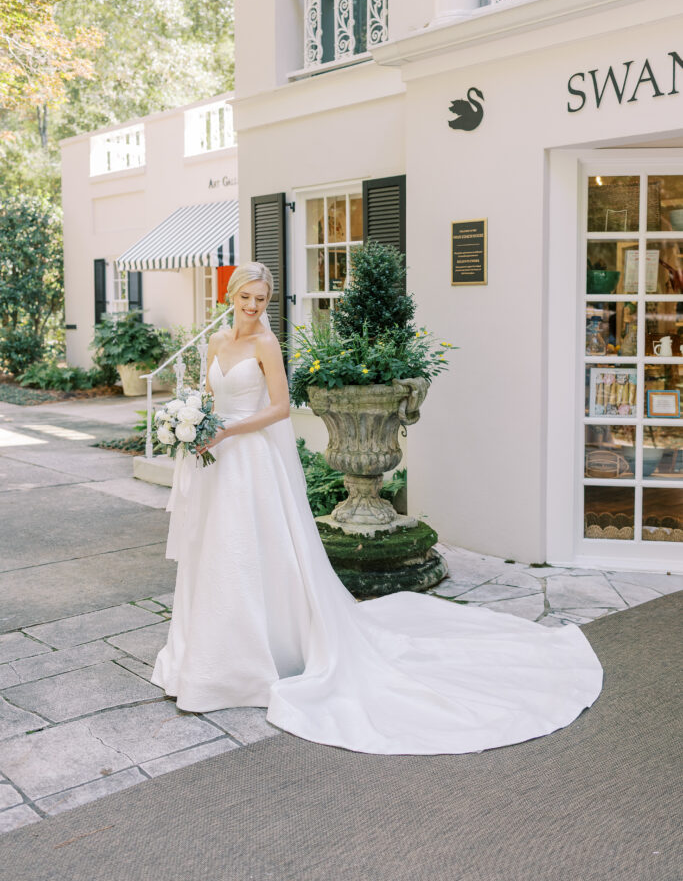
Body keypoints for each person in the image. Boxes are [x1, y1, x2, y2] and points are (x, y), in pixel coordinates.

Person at [151, 262, 603, 755]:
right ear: (231, 296)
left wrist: (225, 431)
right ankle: (209, 657)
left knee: (251, 552)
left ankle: (263, 656)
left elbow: (280, 408)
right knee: (216, 555)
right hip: (217, 464)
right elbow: (205, 397)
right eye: (247, 298)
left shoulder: (266, 344)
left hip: (250, 460)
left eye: (262, 299)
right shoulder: (216, 343)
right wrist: (190, 427)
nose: (254, 307)